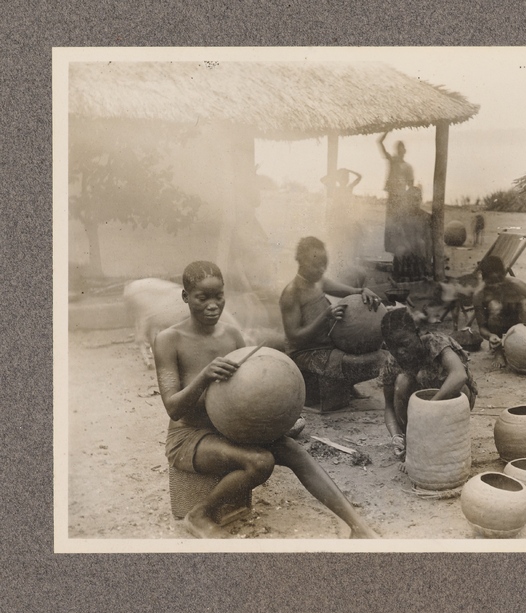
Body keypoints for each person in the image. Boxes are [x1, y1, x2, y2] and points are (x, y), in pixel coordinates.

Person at [154, 260, 378, 539]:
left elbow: (244, 391)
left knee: (294, 450)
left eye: (219, 296)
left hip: (229, 427)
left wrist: (273, 414)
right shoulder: (169, 340)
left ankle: (358, 526)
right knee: (261, 462)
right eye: (202, 298)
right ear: (186, 297)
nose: (213, 305)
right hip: (190, 437)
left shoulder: (231, 335)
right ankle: (200, 514)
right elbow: (173, 408)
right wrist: (204, 376)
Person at [279, 237, 386, 399]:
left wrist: (363, 291)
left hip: (327, 345)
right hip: (304, 353)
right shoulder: (292, 293)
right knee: (367, 363)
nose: (321, 269)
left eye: (324, 263)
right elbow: (294, 338)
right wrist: (325, 317)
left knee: (380, 354)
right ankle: (336, 386)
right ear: (299, 260)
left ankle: (345, 385)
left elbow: (350, 291)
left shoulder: (318, 282)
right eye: (315, 264)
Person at [379, 308, 478, 458]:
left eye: (404, 344)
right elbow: (389, 407)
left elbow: (459, 375)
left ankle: (450, 439)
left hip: (446, 404)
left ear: (417, 333)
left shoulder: (436, 342)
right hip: (419, 415)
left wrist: (429, 407)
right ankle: (411, 439)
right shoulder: (392, 362)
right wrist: (396, 436)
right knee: (402, 382)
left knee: (456, 387)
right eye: (392, 347)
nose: (400, 351)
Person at [473, 255, 526, 352]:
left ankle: (520, 346)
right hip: (498, 331)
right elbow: (482, 328)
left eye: (499, 281)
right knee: (495, 306)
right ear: (483, 278)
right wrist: (490, 335)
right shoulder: (479, 294)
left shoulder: (516, 284)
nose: (497, 285)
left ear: (504, 274)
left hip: (520, 331)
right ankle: (499, 351)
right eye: (492, 283)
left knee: (525, 303)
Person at [377, 133, 414, 269]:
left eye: (402, 148)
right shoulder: (392, 161)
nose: (400, 151)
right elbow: (379, 143)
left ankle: (401, 260)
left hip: (402, 200)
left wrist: (410, 201)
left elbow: (411, 186)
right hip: (392, 198)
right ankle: (395, 259)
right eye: (398, 148)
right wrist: (386, 132)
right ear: (396, 151)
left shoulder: (408, 167)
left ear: (404, 151)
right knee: (391, 228)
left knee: (402, 227)